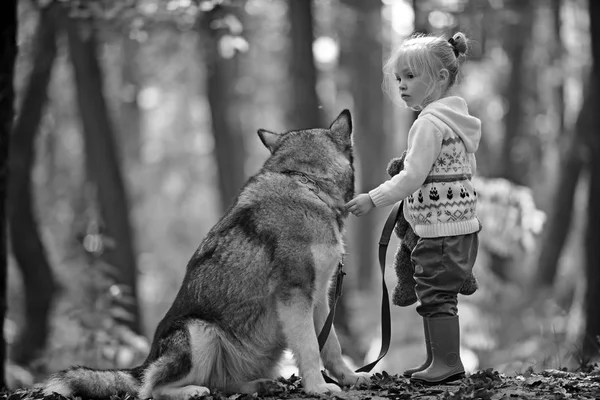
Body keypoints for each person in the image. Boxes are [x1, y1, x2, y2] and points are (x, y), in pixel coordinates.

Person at [345, 32, 482, 385]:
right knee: (436, 292)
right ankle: (437, 360)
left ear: (438, 78)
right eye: (399, 78)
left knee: (436, 295)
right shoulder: (457, 122)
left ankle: (448, 363)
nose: (402, 86)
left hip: (439, 231)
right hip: (461, 226)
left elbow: (412, 177)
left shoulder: (428, 124)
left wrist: (372, 198)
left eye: (411, 77)